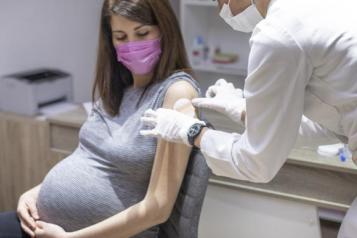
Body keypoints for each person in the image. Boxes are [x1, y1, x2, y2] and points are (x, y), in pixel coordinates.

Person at [140, 0, 357, 237]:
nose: (220, 8)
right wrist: (247, 113)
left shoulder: (278, 34)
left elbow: (257, 164)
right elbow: (335, 120)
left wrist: (192, 132)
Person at [0, 0, 203, 237]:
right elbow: (88, 159)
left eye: (142, 33)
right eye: (121, 37)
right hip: (43, 225)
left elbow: (158, 208)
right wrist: (34, 194)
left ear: (164, 30)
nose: (132, 44)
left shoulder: (176, 93)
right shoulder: (118, 90)